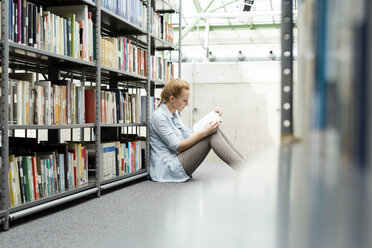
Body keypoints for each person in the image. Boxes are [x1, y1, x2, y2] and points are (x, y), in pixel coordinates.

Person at [149, 79, 246, 182]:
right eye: (184, 100)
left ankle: (246, 168)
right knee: (210, 134)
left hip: (178, 160)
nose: (187, 104)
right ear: (172, 98)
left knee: (212, 131)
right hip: (169, 168)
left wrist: (212, 118)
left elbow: (189, 134)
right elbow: (177, 146)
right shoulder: (159, 117)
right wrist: (204, 132)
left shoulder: (174, 113)